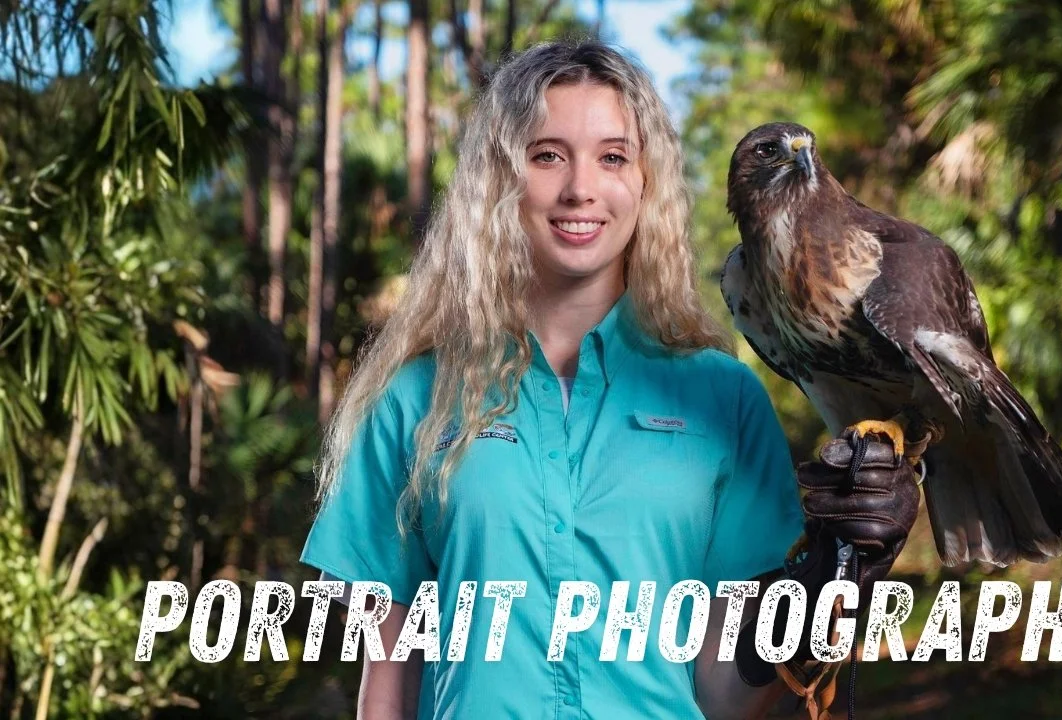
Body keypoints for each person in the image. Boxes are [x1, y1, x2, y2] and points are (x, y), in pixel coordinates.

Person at [300, 39, 920, 720]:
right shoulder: (414, 398)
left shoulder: (723, 399)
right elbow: (391, 677)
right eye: (547, 155)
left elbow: (721, 694)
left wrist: (835, 574)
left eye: (613, 157)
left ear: (645, 184)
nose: (580, 188)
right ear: (499, 181)